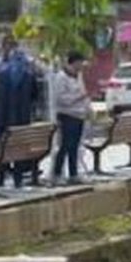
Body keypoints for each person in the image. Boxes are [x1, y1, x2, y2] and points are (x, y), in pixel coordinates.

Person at [0, 47, 38, 187]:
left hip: (0, 118)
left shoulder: (0, 72)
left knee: (0, 150)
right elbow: (35, 96)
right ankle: (18, 180)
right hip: (21, 119)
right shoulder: (29, 75)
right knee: (19, 150)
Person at [51, 51, 91, 185]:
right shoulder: (61, 77)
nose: (81, 66)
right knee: (65, 145)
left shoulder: (78, 77)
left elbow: (84, 92)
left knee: (74, 146)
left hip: (79, 115)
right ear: (74, 62)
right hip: (67, 115)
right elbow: (61, 99)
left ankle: (73, 173)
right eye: (80, 62)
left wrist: (87, 108)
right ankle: (57, 173)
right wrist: (78, 98)